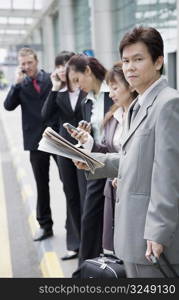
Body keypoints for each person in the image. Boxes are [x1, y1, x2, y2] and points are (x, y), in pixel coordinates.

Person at [73, 26, 179, 277]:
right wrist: (93, 161)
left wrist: (158, 232)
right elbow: (134, 160)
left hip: (151, 239)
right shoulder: (138, 105)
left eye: (138, 59)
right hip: (132, 233)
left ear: (159, 62)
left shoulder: (167, 104)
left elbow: (169, 174)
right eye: (126, 60)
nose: (130, 67)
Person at [70, 61, 137, 252]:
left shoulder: (139, 115)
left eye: (115, 88)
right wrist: (88, 142)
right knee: (114, 244)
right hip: (112, 186)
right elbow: (108, 149)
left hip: (130, 189)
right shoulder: (113, 116)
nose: (112, 93)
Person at [4, 47, 60, 241]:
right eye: (23, 64)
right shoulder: (21, 84)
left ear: (36, 61)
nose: (27, 67)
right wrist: (16, 85)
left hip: (56, 138)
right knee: (41, 185)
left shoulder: (50, 80)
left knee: (68, 184)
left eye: (29, 62)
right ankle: (45, 226)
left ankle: (76, 228)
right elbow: (8, 106)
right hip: (35, 143)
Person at [66, 54, 113, 266]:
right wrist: (85, 135)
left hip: (115, 161)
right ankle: (86, 268)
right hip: (96, 162)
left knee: (100, 219)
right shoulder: (88, 101)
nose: (77, 86)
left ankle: (92, 268)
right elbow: (95, 135)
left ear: (87, 71)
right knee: (90, 217)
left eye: (77, 80)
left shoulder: (113, 91)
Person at [41, 51, 87, 260]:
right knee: (71, 196)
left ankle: (89, 244)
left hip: (85, 150)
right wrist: (54, 88)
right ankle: (75, 243)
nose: (61, 69)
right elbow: (45, 115)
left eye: (65, 65)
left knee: (85, 196)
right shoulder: (58, 91)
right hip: (64, 151)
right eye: (58, 66)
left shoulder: (85, 88)